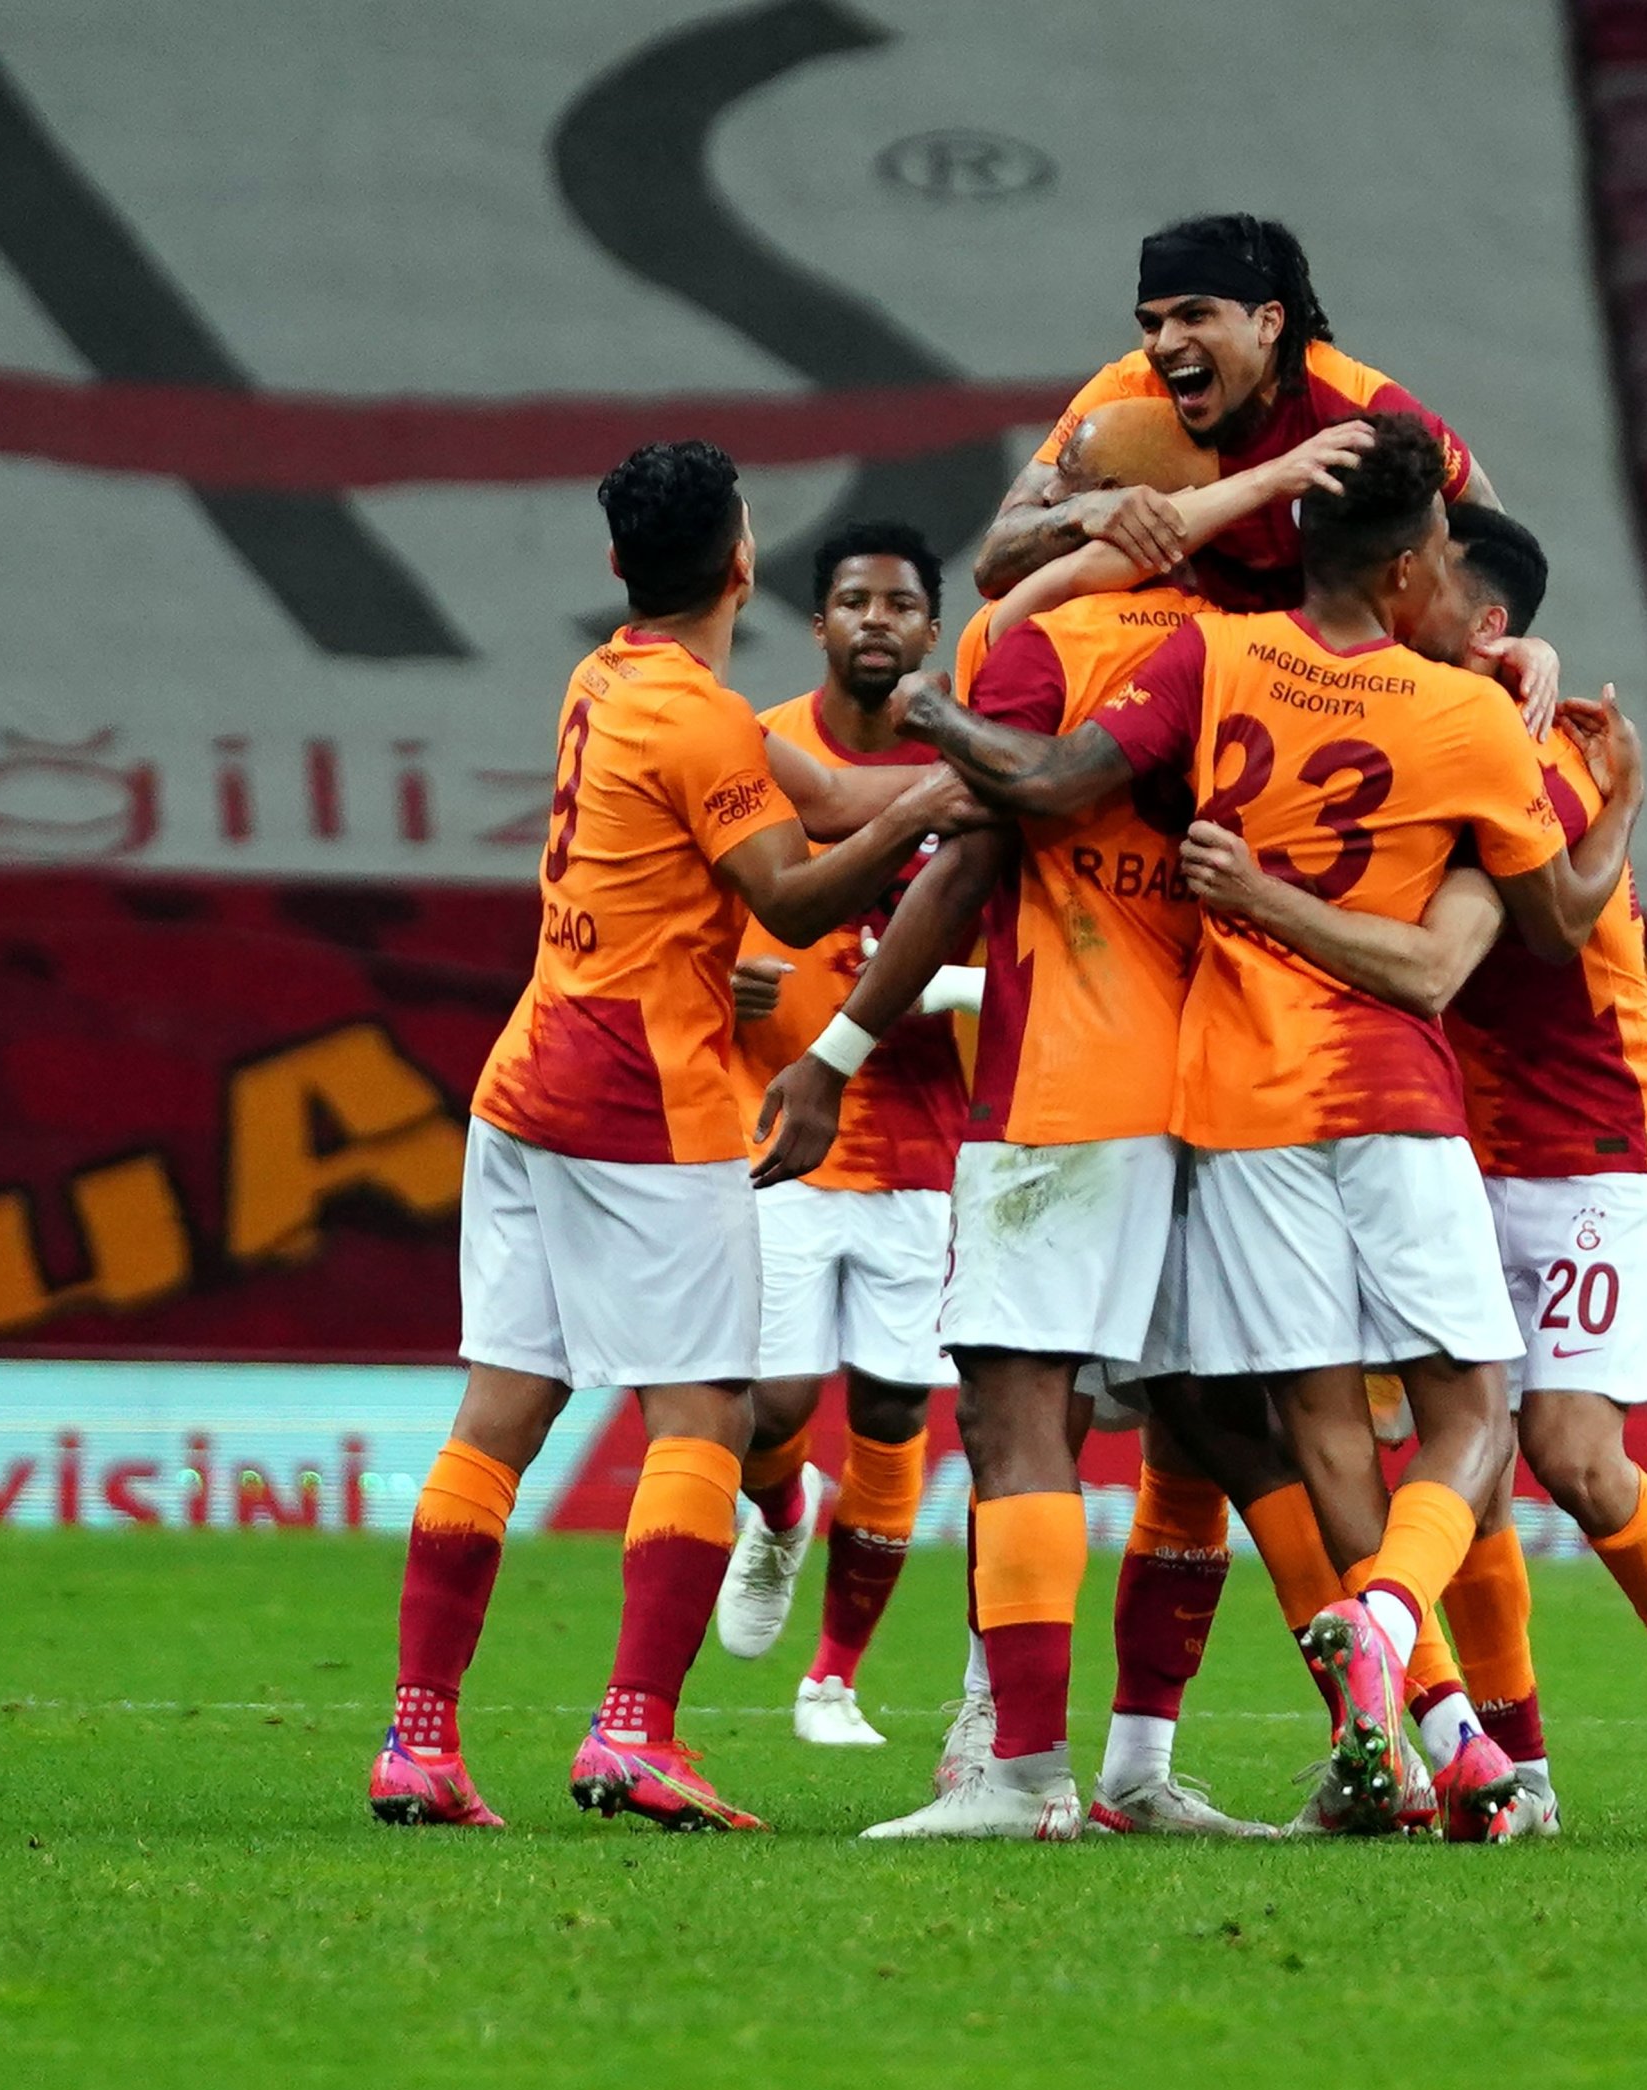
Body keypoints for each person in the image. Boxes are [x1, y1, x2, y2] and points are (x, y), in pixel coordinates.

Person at [895, 415, 1591, 1841]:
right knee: (1472, 1420)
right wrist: (1603, 788)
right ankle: (1390, 1633)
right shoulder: (1466, 718)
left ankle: (1442, 1744)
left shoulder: (1210, 658)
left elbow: (1039, 782)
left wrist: (928, 704)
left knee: (1313, 1426)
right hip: (1390, 1095)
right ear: (1412, 568)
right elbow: (1550, 921)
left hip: (1239, 1104)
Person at [761, 422, 1383, 1841]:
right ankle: (1332, 1733)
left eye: (1051, 488)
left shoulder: (1040, 644)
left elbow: (977, 849)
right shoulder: (1270, 645)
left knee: (1013, 1404)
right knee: (1214, 1425)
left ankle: (1023, 1775)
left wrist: (837, 1048)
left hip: (1068, 1076)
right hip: (1230, 1082)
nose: (1029, 509)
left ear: (1116, 507)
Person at [365, 441, 979, 1833]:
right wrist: (947, 809)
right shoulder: (699, 720)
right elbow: (802, 892)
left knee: (501, 1413)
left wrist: (962, 786)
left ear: (619, 569)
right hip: (645, 1098)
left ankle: (418, 1739)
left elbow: (821, 797)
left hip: (526, 1082)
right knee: (701, 1412)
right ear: (747, 564)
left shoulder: (610, 681)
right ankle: (635, 1730)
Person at [1179, 505, 1647, 1843]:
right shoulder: (1414, 719)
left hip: (1605, 1140)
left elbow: (1543, 932)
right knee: (1477, 1464)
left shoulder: (1515, 753)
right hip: (1472, 1139)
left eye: (1430, 584)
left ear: (1479, 622)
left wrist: (1615, 804)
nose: (1399, 597)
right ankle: (1517, 1759)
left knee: (1566, 1449)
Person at [707, 522, 978, 1750]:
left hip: (923, 1141)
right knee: (766, 1403)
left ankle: (833, 1678)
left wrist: (950, 990)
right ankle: (775, 1519)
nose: (877, 620)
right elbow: (691, 908)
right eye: (854, 602)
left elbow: (1030, 946)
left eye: (901, 604)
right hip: (777, 1131)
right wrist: (735, 975)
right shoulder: (757, 749)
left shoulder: (978, 760)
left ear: (934, 629)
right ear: (818, 624)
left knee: (891, 1407)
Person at [973, 214, 1498, 608]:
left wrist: (1499, 634)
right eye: (1151, 324)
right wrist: (1084, 512)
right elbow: (993, 563)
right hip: (1170, 656)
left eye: (1195, 315)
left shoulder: (1357, 404)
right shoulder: (1126, 389)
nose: (1165, 344)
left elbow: (1492, 536)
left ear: (1268, 323)